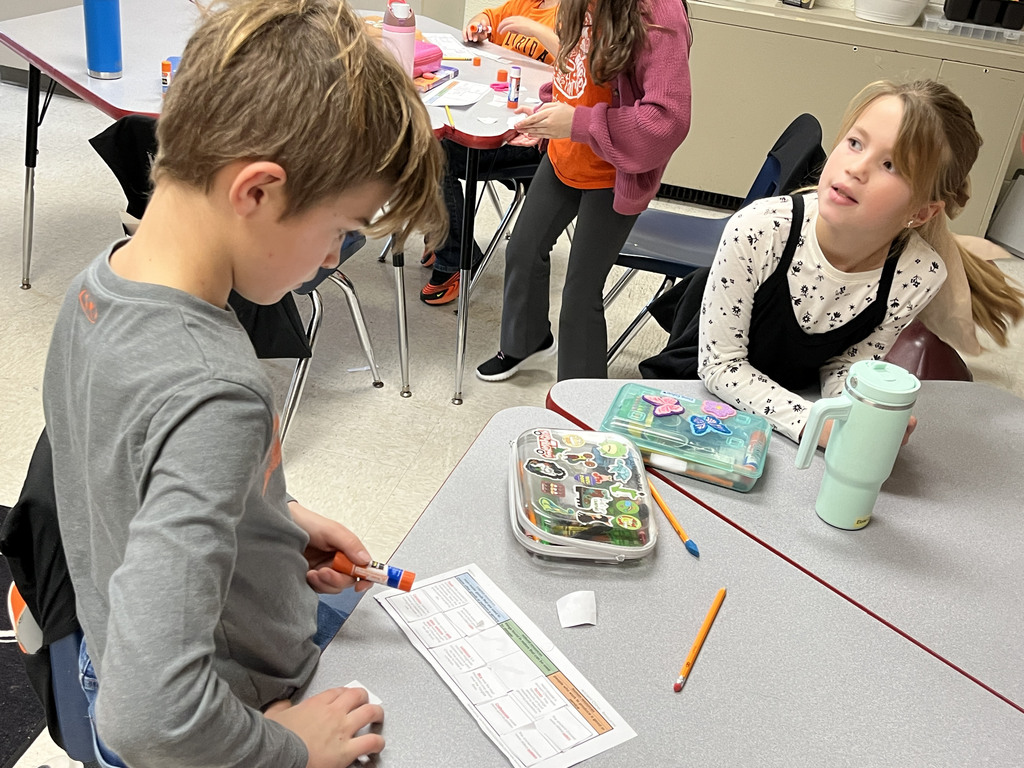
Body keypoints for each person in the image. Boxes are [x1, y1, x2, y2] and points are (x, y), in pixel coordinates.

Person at [40, 1, 445, 767]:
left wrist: (265, 516)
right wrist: (290, 750)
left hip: (115, 641)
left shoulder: (97, 287)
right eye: (340, 231)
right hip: (231, 715)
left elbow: (121, 476)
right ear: (256, 192)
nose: (333, 259)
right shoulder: (217, 391)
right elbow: (150, 717)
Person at [639, 79, 1024, 447]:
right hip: (698, 394)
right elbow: (720, 366)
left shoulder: (917, 275)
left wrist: (858, 414)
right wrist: (813, 423)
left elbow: (846, 363)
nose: (856, 168)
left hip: (794, 401)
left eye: (890, 165)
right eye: (855, 143)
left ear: (921, 213)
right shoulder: (761, 228)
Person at [474, 0, 693, 380]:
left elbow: (666, 121)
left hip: (613, 172)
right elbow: (579, 71)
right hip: (567, 154)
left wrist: (577, 122)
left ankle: (580, 401)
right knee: (523, 250)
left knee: (580, 294)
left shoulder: (660, 13)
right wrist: (548, 115)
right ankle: (526, 342)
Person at [420, 0, 560, 305]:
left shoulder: (577, 12)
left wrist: (534, 30)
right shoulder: (527, 3)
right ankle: (445, 234)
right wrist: (478, 26)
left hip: (536, 139)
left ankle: (454, 259)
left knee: (436, 155)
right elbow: (488, 19)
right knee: (425, 143)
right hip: (503, 114)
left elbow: (582, 66)